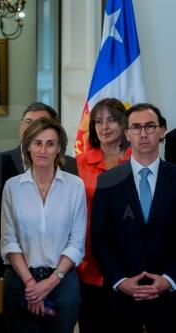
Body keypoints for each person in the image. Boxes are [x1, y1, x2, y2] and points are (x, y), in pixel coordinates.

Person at [0, 102, 77, 332]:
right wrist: (29, 279)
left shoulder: (71, 166)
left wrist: (48, 279)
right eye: (27, 122)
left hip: (57, 272)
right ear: (20, 128)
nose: (33, 128)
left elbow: (72, 227)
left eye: (40, 123)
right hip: (10, 273)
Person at [91, 103, 176, 333]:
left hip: (169, 297)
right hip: (122, 297)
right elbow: (99, 238)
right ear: (127, 133)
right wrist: (120, 280)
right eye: (136, 127)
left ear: (162, 131)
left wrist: (169, 278)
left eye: (150, 126)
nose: (143, 134)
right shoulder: (108, 180)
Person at [0, 117, 86, 333]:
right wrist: (31, 285)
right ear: (28, 146)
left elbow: (76, 243)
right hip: (21, 282)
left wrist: (48, 284)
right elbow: (10, 242)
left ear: (59, 148)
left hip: (62, 282)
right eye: (37, 143)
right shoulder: (12, 187)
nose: (43, 150)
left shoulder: (75, 186)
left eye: (50, 143)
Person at [75, 98, 131, 333]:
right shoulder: (77, 164)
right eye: (98, 121)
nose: (104, 126)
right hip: (87, 259)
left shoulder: (137, 161)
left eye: (111, 120)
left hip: (128, 260)